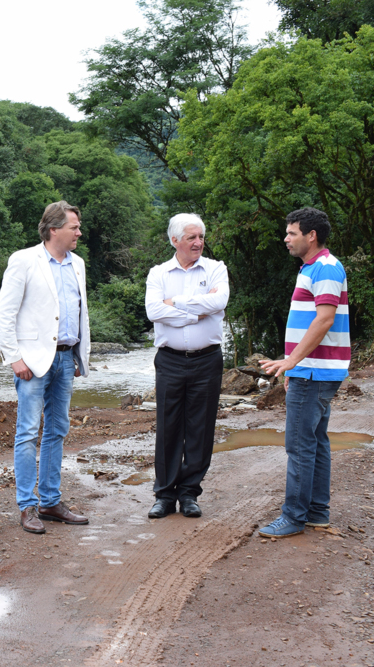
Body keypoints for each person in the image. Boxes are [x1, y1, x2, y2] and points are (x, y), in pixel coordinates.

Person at [0, 201, 92, 534]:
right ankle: (27, 506)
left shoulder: (77, 263)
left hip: (65, 358)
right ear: (54, 230)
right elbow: (4, 313)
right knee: (27, 433)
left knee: (57, 430)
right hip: (32, 362)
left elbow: (79, 313)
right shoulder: (24, 260)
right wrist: (14, 358)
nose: (79, 232)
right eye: (74, 227)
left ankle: (50, 501)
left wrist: (78, 356)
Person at [258, 207, 350, 539]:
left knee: (299, 445)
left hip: (313, 372)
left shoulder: (324, 267)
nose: (286, 238)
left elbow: (324, 319)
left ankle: (293, 517)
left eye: (292, 233)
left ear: (311, 236)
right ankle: (317, 513)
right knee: (315, 442)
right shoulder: (312, 267)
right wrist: (291, 365)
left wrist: (291, 360)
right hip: (312, 371)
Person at [144, 213, 229, 519]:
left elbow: (219, 302)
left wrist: (174, 303)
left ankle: (190, 492)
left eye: (201, 237)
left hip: (207, 359)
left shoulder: (216, 269)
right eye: (191, 237)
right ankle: (164, 495)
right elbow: (153, 310)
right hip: (170, 360)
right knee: (168, 427)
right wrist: (195, 310)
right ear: (174, 240)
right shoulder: (158, 273)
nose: (198, 242)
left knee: (200, 427)